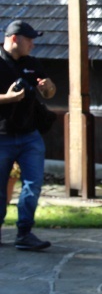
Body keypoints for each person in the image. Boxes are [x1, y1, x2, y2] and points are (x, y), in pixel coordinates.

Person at [0, 20, 57, 250]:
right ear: (15, 39)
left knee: (32, 185)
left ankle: (24, 233)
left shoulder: (32, 63)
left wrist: (48, 87)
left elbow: (50, 93)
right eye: (29, 40)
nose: (33, 44)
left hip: (30, 135)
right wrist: (8, 98)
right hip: (2, 136)